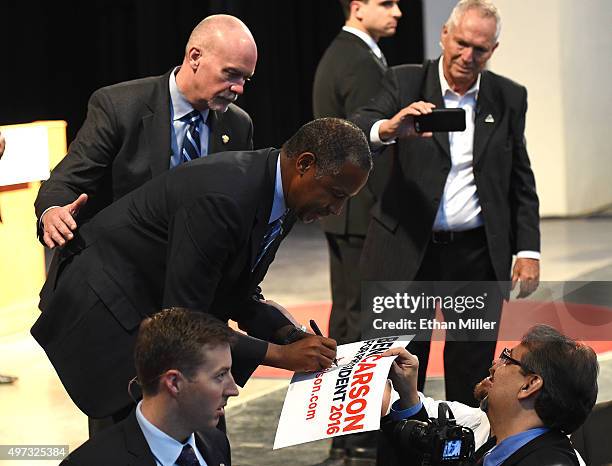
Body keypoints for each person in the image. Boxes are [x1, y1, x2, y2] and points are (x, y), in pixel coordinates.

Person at [31, 118, 371, 428]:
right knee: (135, 441)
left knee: (200, 436)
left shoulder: (285, 193)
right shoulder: (223, 198)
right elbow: (185, 322)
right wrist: (280, 356)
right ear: (305, 164)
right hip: (107, 311)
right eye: (336, 194)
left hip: (154, 308)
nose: (336, 209)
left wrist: (287, 334)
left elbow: (236, 289)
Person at [352, 0, 540, 405]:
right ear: (444, 36)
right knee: (396, 371)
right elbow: (356, 128)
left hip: (475, 258)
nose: (468, 56)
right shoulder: (402, 82)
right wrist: (388, 128)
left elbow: (520, 179)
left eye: (480, 49)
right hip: (405, 252)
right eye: (461, 43)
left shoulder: (508, 97)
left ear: (493, 50)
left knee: (473, 375)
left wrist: (527, 249)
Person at [35, 14, 256, 249]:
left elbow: (240, 205)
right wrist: (54, 211)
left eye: (246, 78)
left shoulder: (239, 125)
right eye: (231, 73)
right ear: (195, 57)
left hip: (195, 271)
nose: (239, 88)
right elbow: (66, 182)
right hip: (119, 264)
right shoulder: (119, 106)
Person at [312, 1, 401, 463]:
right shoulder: (356, 60)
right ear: (358, 7)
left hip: (345, 212)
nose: (398, 12)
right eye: (386, 3)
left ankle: (347, 434)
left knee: (349, 319)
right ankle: (355, 431)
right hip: (359, 212)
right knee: (358, 323)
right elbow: (363, 141)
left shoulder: (347, 54)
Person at [379, 324, 598, 465]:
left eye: (507, 358)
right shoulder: (483, 428)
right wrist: (406, 392)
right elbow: (406, 412)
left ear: (529, 385)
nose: (494, 364)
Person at [61, 308, 238, 466]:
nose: (233, 390)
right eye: (220, 375)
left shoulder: (216, 443)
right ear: (174, 383)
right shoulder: (90, 462)